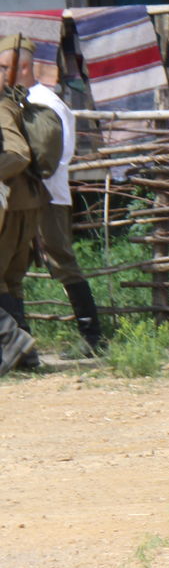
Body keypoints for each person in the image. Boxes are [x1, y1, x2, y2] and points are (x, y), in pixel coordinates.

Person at [28, 40, 105, 356]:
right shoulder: (21, 100)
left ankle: (91, 336)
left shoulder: (43, 102)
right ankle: (18, 343)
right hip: (21, 194)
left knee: (60, 258)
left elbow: (50, 155)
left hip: (45, 193)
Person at [0, 35, 47, 375]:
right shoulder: (14, 103)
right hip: (25, 200)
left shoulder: (3, 107)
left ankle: (12, 341)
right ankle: (25, 355)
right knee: (11, 278)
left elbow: (17, 154)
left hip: (12, 202)